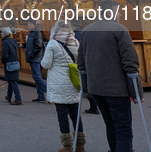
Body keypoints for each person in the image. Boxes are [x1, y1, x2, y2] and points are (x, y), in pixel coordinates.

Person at [77, 0, 143, 152]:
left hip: (97, 88)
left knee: (110, 125)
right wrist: (136, 92)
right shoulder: (119, 29)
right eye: (117, 11)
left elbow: (81, 63)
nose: (119, 14)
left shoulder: (87, 31)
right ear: (108, 12)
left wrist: (86, 87)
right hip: (116, 90)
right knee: (123, 129)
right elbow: (131, 62)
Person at [42, 21, 87, 152]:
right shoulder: (75, 42)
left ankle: (67, 146)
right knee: (75, 113)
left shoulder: (53, 43)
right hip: (73, 81)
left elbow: (46, 64)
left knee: (62, 114)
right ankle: (80, 145)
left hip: (59, 83)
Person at [72, 19, 98, 115]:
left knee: (85, 85)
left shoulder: (77, 35)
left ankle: (94, 106)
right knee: (87, 84)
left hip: (83, 61)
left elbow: (80, 49)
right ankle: (93, 106)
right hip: (87, 61)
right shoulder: (83, 33)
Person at [25, 19, 47, 102]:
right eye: (28, 24)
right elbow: (33, 44)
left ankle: (49, 92)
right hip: (34, 58)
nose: (28, 25)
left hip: (36, 58)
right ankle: (40, 96)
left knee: (37, 77)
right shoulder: (32, 32)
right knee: (37, 77)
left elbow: (38, 45)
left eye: (30, 24)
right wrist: (24, 45)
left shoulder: (37, 32)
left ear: (34, 24)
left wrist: (32, 55)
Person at [0, 27, 22, 105]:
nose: (1, 34)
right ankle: (9, 96)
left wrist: (2, 60)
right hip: (14, 62)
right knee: (11, 81)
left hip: (9, 63)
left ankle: (18, 98)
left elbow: (5, 54)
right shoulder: (12, 41)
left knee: (13, 82)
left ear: (5, 33)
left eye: (2, 32)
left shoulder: (5, 42)